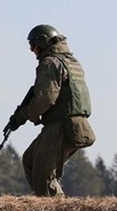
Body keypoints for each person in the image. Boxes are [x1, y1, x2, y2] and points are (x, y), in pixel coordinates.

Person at [7, 24, 95, 197]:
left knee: (43, 174)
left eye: (34, 46)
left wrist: (23, 116)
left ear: (43, 43)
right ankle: (49, 205)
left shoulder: (50, 62)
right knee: (31, 160)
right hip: (72, 124)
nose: (33, 52)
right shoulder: (70, 61)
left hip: (63, 125)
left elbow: (45, 99)